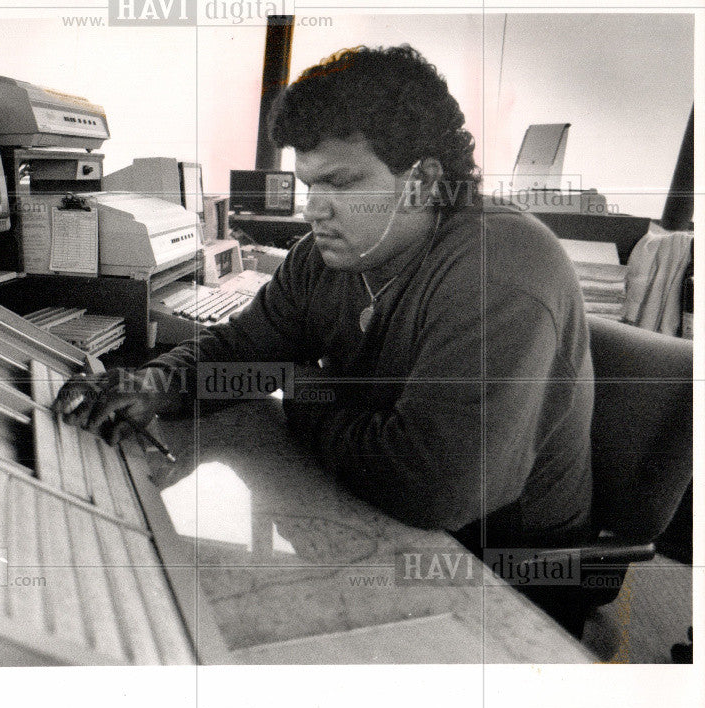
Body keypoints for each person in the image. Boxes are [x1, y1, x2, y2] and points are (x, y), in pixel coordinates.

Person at [54, 44, 595, 552]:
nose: (315, 210)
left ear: (423, 182)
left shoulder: (501, 271)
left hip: (501, 554)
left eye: (342, 184)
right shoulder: (324, 257)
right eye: (311, 186)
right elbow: (244, 356)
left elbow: (433, 488)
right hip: (379, 508)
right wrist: (158, 383)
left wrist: (304, 391)